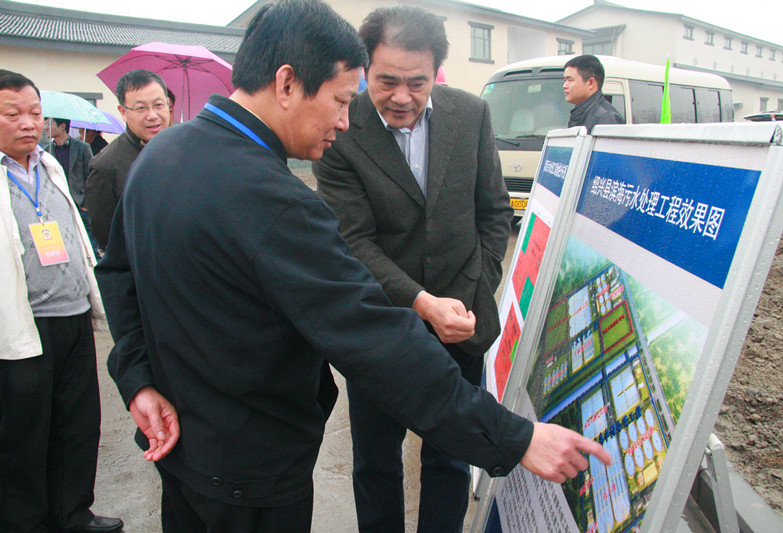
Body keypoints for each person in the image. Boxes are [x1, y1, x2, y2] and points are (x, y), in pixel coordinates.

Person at [96, 2, 610, 532]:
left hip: (183, 453)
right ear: (287, 84)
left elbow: (117, 277)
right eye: (342, 100)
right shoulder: (277, 203)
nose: (345, 121)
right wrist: (514, 437)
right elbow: (372, 333)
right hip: (254, 468)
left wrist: (138, 380)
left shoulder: (160, 155)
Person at [312, 6, 511, 532]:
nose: (402, 96)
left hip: (461, 322)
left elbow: (494, 214)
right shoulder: (341, 129)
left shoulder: (471, 115)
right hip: (380, 324)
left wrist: (477, 288)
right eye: (387, 82)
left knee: (451, 455)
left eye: (417, 82)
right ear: (365, 70)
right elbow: (352, 241)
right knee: (376, 459)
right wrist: (422, 303)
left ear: (435, 73)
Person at [0, 70, 123, 533]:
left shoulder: (48, 166)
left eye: (35, 113)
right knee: (24, 433)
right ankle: (25, 522)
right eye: (12, 114)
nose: (28, 123)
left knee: (76, 424)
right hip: (23, 325)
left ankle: (73, 514)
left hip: (72, 315)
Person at [85, 69, 170, 250]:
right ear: (123, 112)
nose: (152, 115)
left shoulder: (185, 149)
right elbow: (107, 238)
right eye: (141, 108)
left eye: (159, 105)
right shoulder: (105, 166)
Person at [43, 117, 101, 259]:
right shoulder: (46, 152)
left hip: (79, 203)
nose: (45, 128)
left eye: (49, 124)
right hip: (57, 204)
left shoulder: (81, 147)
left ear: (62, 126)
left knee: (89, 244)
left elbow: (91, 176)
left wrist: (85, 203)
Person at [563, 54, 624, 132]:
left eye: (570, 80)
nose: (564, 86)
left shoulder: (606, 118)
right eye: (565, 80)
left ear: (591, 83)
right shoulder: (581, 113)